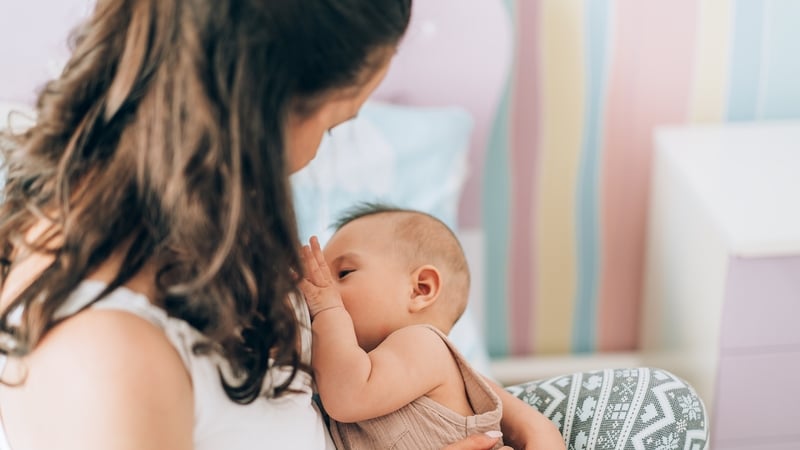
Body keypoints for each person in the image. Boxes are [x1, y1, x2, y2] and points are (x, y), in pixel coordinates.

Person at [0, 1, 551, 449]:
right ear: (259, 108)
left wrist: (516, 416)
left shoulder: (209, 222)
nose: (309, 159)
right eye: (334, 125)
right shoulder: (107, 356)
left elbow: (390, 357)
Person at [299, 203, 566, 449]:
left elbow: (348, 396)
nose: (324, 289)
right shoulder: (348, 367)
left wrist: (328, 310)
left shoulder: (423, 344)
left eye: (343, 273)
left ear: (420, 289)